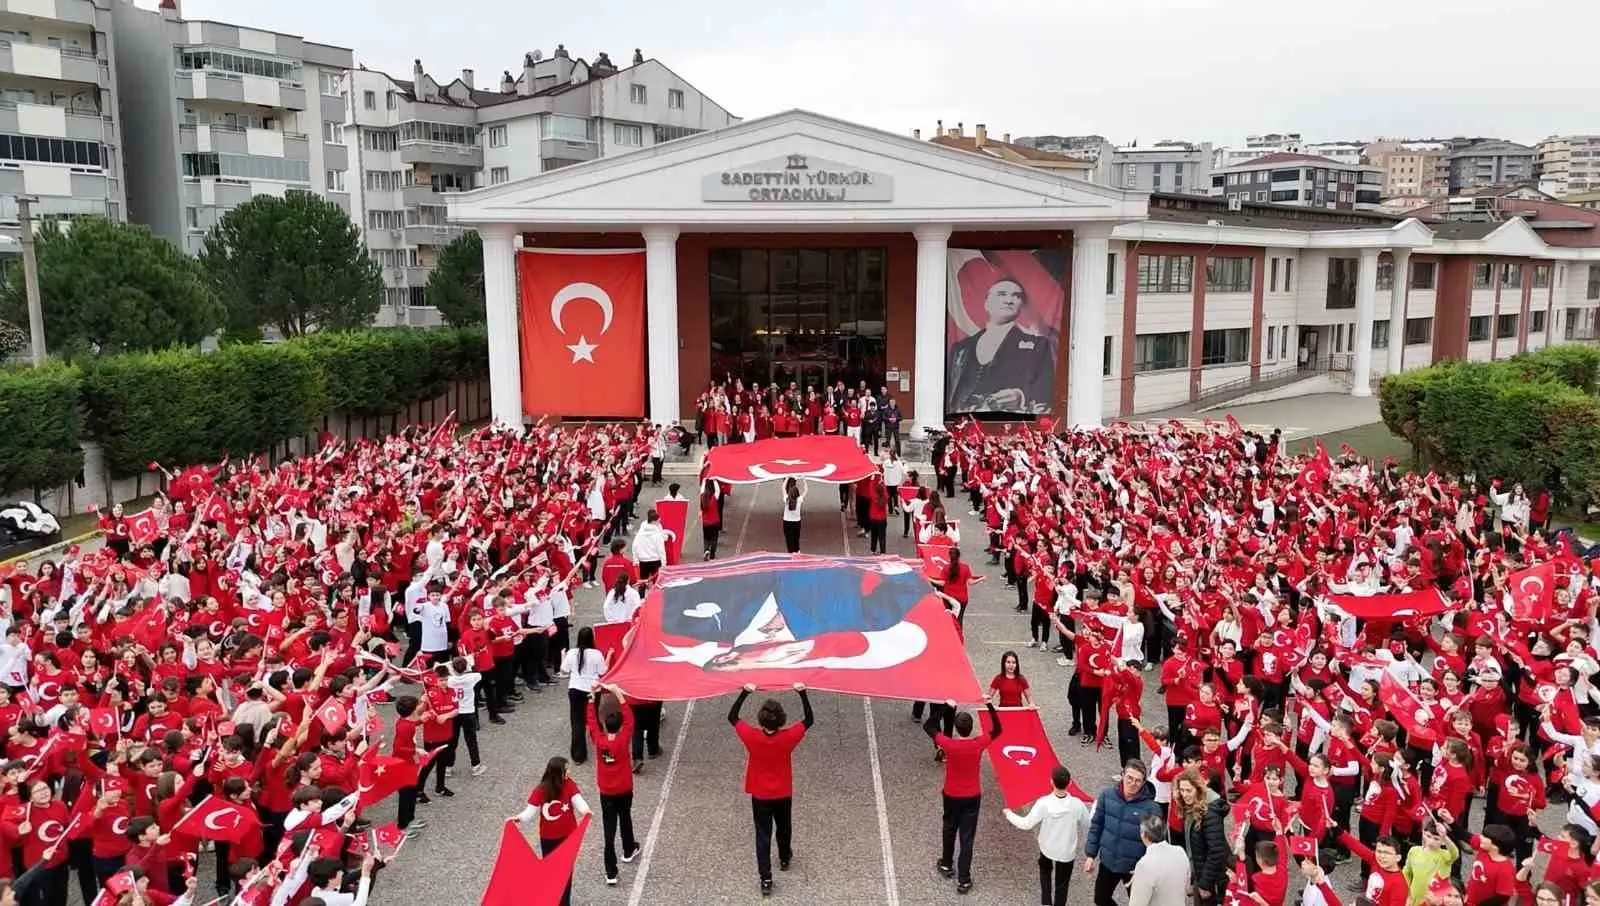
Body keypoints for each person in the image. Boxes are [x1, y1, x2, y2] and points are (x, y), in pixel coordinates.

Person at [728, 682, 814, 896]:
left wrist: (745, 693)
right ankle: (784, 857)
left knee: (762, 835)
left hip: (760, 794)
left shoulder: (753, 737)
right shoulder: (787, 738)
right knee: (784, 827)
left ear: (761, 719)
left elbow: (732, 717)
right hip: (783, 792)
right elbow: (809, 719)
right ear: (782, 719)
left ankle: (765, 878)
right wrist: (802, 693)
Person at [945, 275, 1056, 414]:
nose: (1009, 300)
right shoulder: (961, 349)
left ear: (1021, 305)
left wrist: (1021, 397)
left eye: (1016, 296)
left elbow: (1045, 391)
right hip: (962, 423)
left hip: (1010, 424)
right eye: (1002, 294)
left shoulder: (1038, 346)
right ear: (986, 303)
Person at [925, 698, 1002, 894]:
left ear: (958, 729)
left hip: (951, 793)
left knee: (949, 828)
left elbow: (930, 725)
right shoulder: (979, 743)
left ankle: (946, 863)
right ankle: (964, 879)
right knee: (967, 837)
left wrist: (945, 708)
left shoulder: (949, 744)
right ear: (971, 728)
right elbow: (998, 729)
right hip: (972, 795)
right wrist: (990, 706)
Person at [1004, 765, 1091, 906]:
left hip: (1047, 847)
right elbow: (1088, 824)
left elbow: (1026, 823)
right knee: (1062, 885)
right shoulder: (1077, 805)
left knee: (1045, 874)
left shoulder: (1044, 803)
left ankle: (1046, 902)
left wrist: (1009, 814)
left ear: (1051, 782)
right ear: (1070, 783)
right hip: (1066, 852)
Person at [512, 757, 593, 906]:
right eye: (566, 769)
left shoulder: (567, 784)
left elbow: (578, 802)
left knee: (563, 873)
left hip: (564, 838)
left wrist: (586, 811)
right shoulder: (542, 790)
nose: (569, 771)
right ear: (558, 773)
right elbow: (529, 813)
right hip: (554, 838)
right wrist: (518, 819)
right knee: (557, 873)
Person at [1084, 759, 1163, 906]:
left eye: (1138, 781)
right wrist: (1090, 855)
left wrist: (1148, 870)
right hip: (1108, 861)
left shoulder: (1152, 808)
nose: (1133, 783)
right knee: (1100, 899)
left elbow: (1156, 845)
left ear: (1144, 782)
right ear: (1122, 775)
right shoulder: (1106, 796)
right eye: (1129, 778)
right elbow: (1097, 825)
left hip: (1135, 869)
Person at [588, 684, 639, 886]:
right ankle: (628, 849)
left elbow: (591, 722)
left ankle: (611, 871)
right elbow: (630, 719)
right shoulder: (623, 739)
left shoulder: (599, 740)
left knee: (608, 829)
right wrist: (619, 694)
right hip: (624, 787)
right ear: (619, 726)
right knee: (625, 816)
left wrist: (592, 699)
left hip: (606, 790)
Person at [562, 627, 608, 765]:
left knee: (577, 722)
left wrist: (562, 655)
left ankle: (578, 756)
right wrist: (610, 656)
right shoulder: (596, 654)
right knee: (593, 717)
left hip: (575, 689)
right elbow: (603, 671)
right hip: (592, 690)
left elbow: (564, 669)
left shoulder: (572, 653)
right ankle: (604, 745)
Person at [1125, 813, 1188, 906]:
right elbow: (1186, 884)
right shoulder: (1180, 851)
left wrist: (1141, 874)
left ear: (1143, 835)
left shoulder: (1144, 865)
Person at [631, 509, 672, 581]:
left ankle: (641, 592)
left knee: (642, 582)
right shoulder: (657, 535)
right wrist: (664, 564)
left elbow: (635, 546)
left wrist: (636, 560)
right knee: (657, 582)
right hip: (655, 561)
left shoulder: (640, 533)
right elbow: (661, 550)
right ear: (654, 521)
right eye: (658, 521)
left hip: (643, 561)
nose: (659, 522)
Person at [781, 478, 806, 554]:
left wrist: (788, 477)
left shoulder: (787, 500)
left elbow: (783, 487)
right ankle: (797, 551)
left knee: (789, 540)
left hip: (787, 522)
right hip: (797, 522)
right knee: (796, 539)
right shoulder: (799, 500)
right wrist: (804, 479)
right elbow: (806, 489)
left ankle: (791, 554)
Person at [700, 480, 723, 560]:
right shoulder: (714, 497)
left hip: (705, 523)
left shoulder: (702, 497)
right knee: (714, 538)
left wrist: (704, 480)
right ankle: (712, 555)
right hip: (715, 522)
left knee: (706, 538)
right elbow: (718, 490)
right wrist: (714, 480)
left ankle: (706, 550)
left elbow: (702, 488)